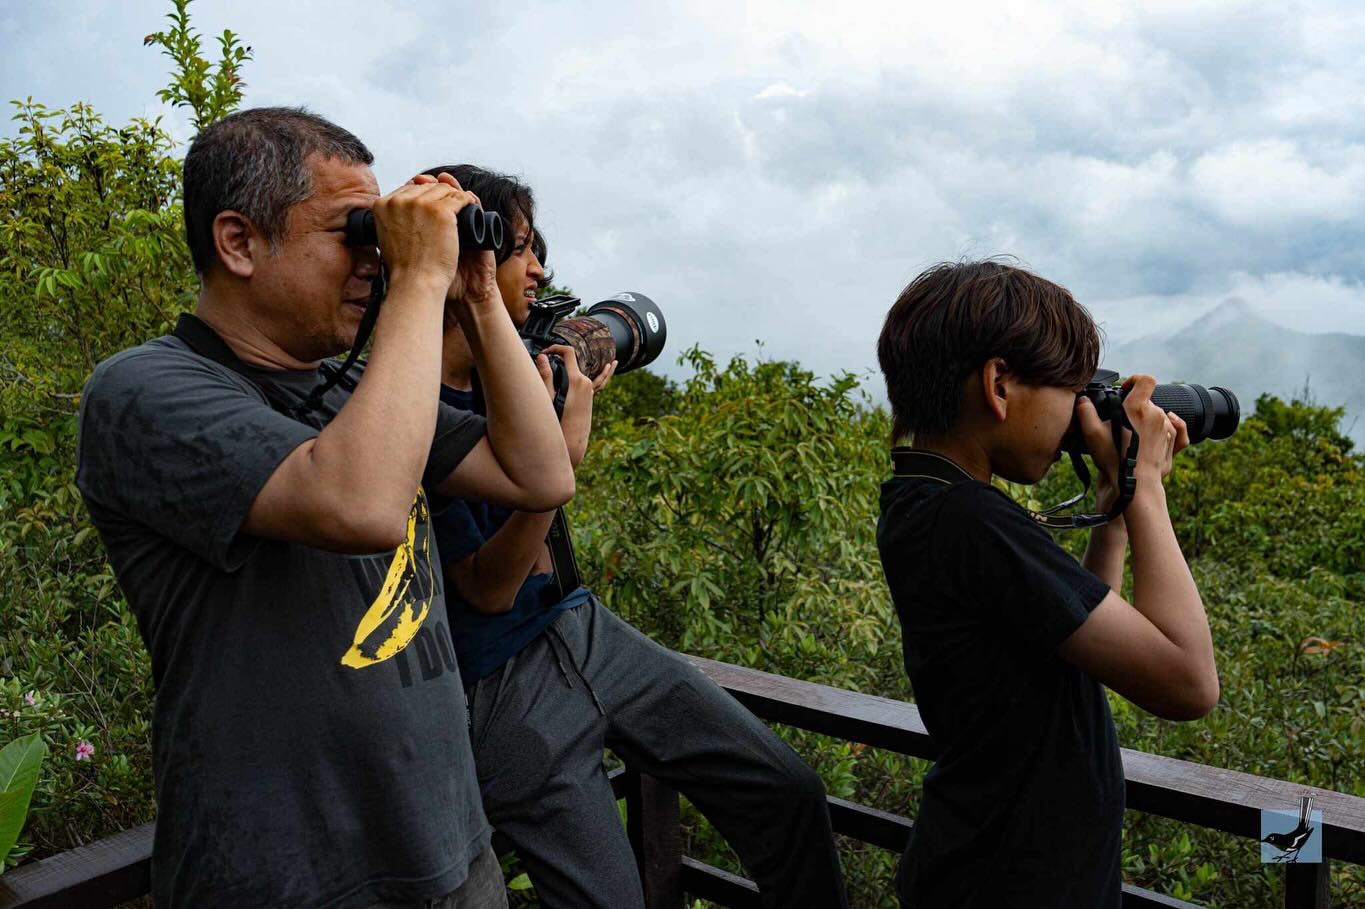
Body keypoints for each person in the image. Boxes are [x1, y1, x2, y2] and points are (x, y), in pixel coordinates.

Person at [75, 108, 575, 907]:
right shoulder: (145, 391)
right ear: (238, 242)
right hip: (289, 877)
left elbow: (540, 474)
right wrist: (417, 280)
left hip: (451, 846)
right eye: (354, 230)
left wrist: (477, 293)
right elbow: (361, 507)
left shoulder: (345, 392)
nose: (375, 261)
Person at [426, 164, 849, 909]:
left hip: (580, 623)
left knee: (785, 790)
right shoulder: (410, 401)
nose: (540, 267)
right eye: (520, 247)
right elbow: (487, 593)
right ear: (470, 258)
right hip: (498, 679)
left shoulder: (514, 371)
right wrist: (561, 461)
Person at [874, 260, 1220, 907]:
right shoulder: (972, 519)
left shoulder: (923, 498)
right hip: (1012, 882)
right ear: (999, 383)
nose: (1075, 419)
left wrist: (1114, 507)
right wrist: (1147, 491)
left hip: (979, 866)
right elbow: (1188, 682)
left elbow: (1076, 632)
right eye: (1069, 393)